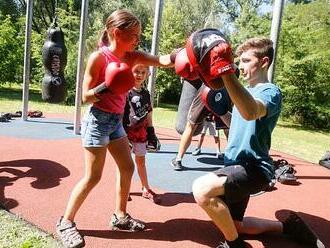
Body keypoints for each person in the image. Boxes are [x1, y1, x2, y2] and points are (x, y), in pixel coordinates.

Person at [192, 36, 324, 248]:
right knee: (236, 226)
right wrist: (220, 110)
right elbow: (238, 120)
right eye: (239, 61)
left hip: (253, 168)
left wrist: (226, 73)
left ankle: (234, 246)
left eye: (245, 61)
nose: (239, 66)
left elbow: (252, 111)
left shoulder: (270, 91)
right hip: (234, 165)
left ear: (263, 62)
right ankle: (289, 227)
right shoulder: (243, 94)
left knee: (201, 189)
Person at [55, 10, 172, 248]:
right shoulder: (99, 58)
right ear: (117, 33)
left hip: (116, 121)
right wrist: (108, 86)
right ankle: (65, 222)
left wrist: (187, 53)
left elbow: (161, 60)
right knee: (93, 176)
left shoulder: (132, 56)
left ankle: (120, 216)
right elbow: (85, 96)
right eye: (134, 35)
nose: (138, 40)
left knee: (127, 167)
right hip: (97, 122)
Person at [123, 64, 161, 204]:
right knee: (124, 164)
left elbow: (149, 113)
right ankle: (123, 189)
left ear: (147, 74)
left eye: (143, 72)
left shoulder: (145, 93)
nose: (139, 74)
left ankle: (145, 188)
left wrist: (151, 132)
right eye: (136, 71)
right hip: (125, 133)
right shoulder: (125, 91)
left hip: (141, 133)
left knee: (141, 161)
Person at [171, 83, 232, 171]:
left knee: (190, 126)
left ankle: (178, 159)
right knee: (227, 127)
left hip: (208, 89)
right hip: (224, 89)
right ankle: (236, 160)